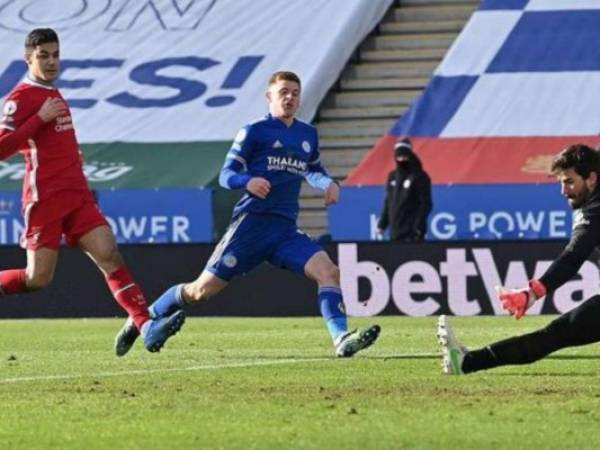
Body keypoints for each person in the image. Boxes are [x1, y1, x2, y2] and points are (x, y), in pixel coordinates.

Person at [114, 70, 381, 357]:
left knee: (328, 271)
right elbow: (226, 175)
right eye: (283, 92)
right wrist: (247, 181)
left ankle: (341, 338)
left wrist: (328, 183)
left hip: (284, 230)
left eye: (294, 93)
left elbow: (313, 170)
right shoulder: (254, 131)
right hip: (251, 225)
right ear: (269, 97)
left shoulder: (307, 134)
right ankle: (142, 317)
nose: (290, 97)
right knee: (201, 292)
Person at [0, 28, 184, 352]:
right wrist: (38, 120)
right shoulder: (20, 99)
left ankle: (146, 325)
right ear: (28, 59)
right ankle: (144, 322)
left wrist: (72, 154)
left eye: (56, 54)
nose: (52, 61)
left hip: (77, 193)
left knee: (109, 253)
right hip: (46, 199)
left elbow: (49, 143)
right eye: (43, 55)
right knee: (37, 279)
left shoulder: (53, 92)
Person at [438, 143, 600, 374]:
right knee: (556, 334)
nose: (564, 191)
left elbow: (573, 257)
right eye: (561, 182)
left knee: (554, 335)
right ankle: (466, 362)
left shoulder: (593, 211)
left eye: (569, 181)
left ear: (592, 178)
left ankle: (466, 362)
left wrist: (533, 292)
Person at [375, 137, 432, 242]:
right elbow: (388, 202)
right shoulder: (392, 176)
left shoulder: (419, 176)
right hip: (395, 232)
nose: (401, 160)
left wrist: (418, 226)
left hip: (412, 234)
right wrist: (382, 225)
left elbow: (425, 204)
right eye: (398, 157)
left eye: (404, 156)